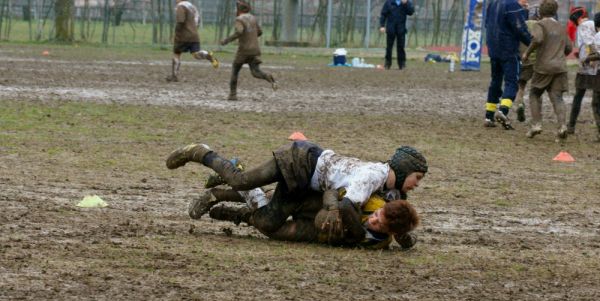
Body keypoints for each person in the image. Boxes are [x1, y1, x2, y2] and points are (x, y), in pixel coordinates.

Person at [165, 141, 427, 241]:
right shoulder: (372, 177)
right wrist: (357, 235)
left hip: (307, 183)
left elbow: (398, 216)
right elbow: (346, 206)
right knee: (242, 180)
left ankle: (221, 196)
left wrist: (405, 236)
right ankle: (200, 151)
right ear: (404, 170)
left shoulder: (391, 189)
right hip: (302, 163)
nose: (416, 184)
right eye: (416, 178)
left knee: (267, 219)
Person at [204, 187, 420, 250]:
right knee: (269, 204)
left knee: (272, 231)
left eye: (379, 224)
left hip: (317, 233)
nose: (373, 220)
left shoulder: (381, 243)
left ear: (391, 232)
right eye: (376, 216)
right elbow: (333, 191)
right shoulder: (372, 201)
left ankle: (237, 215)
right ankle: (237, 183)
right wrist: (333, 209)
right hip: (313, 203)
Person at [522, 0, 572, 141]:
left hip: (543, 67)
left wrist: (527, 53)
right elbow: (568, 48)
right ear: (555, 12)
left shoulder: (540, 25)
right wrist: (558, 57)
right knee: (557, 98)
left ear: (540, 12)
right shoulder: (561, 27)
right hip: (560, 68)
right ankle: (562, 126)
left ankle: (536, 124)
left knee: (534, 94)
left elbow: (537, 39)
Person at [483, 0, 532, 130]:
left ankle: (488, 116)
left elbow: (487, 24)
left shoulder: (493, 4)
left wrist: (524, 11)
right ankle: (503, 111)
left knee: (495, 81)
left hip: (493, 48)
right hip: (508, 50)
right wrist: (532, 44)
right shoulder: (512, 5)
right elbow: (520, 29)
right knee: (512, 82)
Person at [219, 0, 277, 101]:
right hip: (255, 50)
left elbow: (239, 31)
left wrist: (226, 40)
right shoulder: (253, 18)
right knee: (255, 71)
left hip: (244, 51)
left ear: (239, 9)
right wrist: (251, 36)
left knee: (235, 70)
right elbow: (259, 32)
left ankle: (233, 95)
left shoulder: (239, 19)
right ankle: (268, 76)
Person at [566, 7, 600, 137]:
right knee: (596, 101)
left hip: (588, 68)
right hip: (595, 68)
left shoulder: (583, 26)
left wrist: (588, 58)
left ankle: (571, 126)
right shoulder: (591, 23)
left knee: (579, 97)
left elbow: (589, 43)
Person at [166, 0, 219, 82]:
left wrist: (175, 34)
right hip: (194, 35)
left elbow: (180, 21)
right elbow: (198, 20)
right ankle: (208, 55)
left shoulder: (180, 6)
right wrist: (193, 29)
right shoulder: (192, 7)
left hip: (182, 36)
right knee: (196, 54)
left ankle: (174, 76)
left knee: (176, 54)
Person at [514, 6, 540, 123]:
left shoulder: (521, 24)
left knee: (521, 86)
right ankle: (537, 117)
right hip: (537, 62)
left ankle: (519, 104)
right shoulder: (540, 26)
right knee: (536, 90)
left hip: (523, 60)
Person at [379, 0, 415, 70]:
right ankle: (388, 63)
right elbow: (383, 14)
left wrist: (406, 3)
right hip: (390, 29)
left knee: (401, 47)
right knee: (389, 47)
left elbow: (411, 12)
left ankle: (402, 64)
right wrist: (382, 26)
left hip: (401, 29)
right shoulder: (389, 2)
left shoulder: (406, 2)